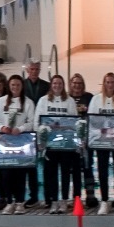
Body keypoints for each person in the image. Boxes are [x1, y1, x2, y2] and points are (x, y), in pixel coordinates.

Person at [0, 75, 39, 213]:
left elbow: (31, 122)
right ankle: (9, 202)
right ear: (9, 86)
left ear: (22, 86)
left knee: (20, 174)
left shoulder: (29, 103)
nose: (15, 87)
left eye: (18, 85)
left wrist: (20, 129)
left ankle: (19, 202)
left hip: (21, 142)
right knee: (6, 174)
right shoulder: (0, 102)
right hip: (5, 143)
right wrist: (2, 128)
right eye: (13, 85)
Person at [87, 72, 114, 215]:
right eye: (107, 82)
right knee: (102, 170)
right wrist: (92, 138)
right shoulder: (96, 99)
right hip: (101, 141)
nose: (110, 85)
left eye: (112, 82)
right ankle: (104, 201)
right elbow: (91, 121)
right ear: (104, 83)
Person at [37, 74, 81, 215]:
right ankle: (54, 201)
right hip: (49, 144)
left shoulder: (69, 101)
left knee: (65, 173)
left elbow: (75, 122)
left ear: (63, 85)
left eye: (60, 83)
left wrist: (74, 141)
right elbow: (37, 122)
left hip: (65, 144)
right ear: (51, 85)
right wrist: (40, 141)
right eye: (55, 83)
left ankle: (64, 200)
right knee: (51, 174)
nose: (57, 86)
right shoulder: (43, 101)